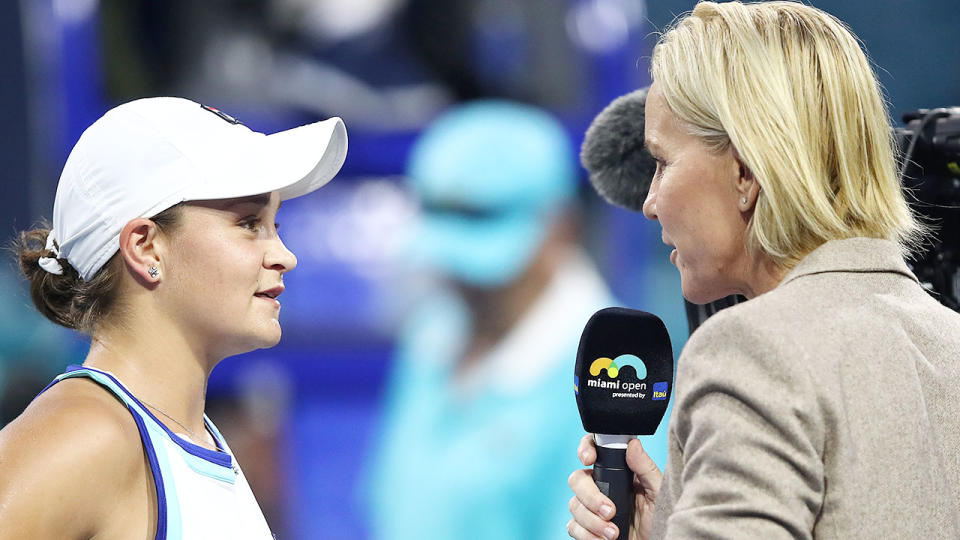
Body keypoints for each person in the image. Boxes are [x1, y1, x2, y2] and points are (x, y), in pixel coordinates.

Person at [566, 2, 960, 539]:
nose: (650, 202)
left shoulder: (750, 350)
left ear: (746, 175)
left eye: (662, 162)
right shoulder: (949, 337)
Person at [0, 97, 347, 539]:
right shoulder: (87, 435)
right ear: (145, 247)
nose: (284, 256)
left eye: (276, 226)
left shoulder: (192, 437)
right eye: (248, 223)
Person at [366, 101, 668, 540]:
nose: (460, 279)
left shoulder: (618, 382)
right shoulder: (431, 331)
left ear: (560, 229)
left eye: (483, 262)